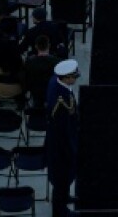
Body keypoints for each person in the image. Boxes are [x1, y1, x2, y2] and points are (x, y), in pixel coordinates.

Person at [45, 59, 81, 217]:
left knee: (64, 178)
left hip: (62, 139)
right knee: (61, 178)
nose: (75, 78)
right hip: (60, 146)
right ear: (66, 77)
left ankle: (65, 197)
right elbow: (63, 129)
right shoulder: (61, 101)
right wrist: (71, 149)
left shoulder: (57, 81)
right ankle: (59, 211)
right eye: (74, 76)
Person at [23, 35, 57, 109]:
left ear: (36, 46)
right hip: (50, 92)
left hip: (35, 92)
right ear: (49, 45)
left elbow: (26, 79)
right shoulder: (56, 62)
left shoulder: (29, 62)